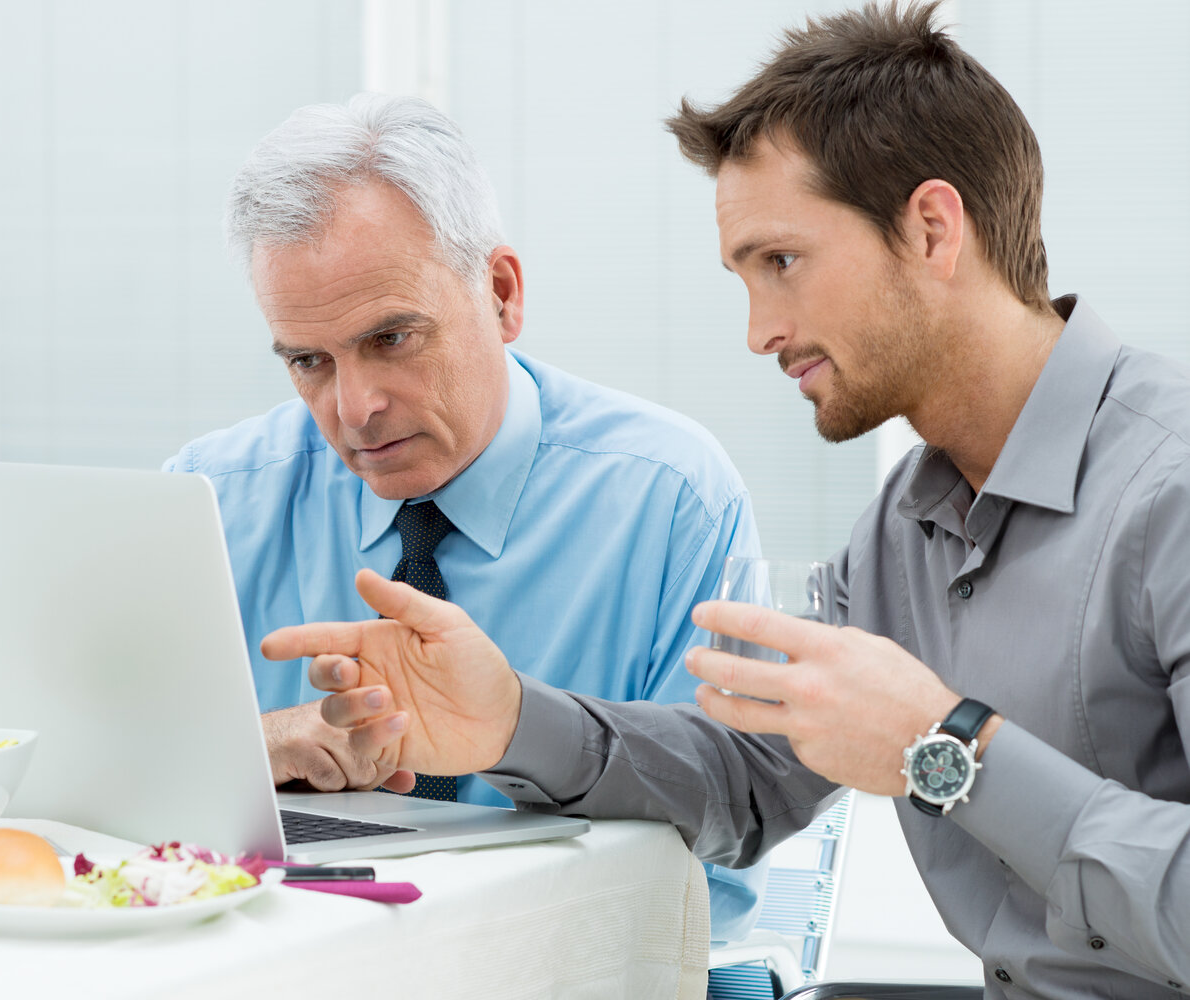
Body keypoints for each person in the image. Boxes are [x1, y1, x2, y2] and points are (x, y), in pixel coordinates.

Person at [263, 5, 1190, 998]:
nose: (759, 332)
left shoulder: (1167, 489)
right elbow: (748, 782)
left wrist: (945, 745)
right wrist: (511, 723)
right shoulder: (903, 531)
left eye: (781, 263)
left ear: (931, 229)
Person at [157, 94, 768, 942]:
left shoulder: (670, 501)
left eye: (392, 339)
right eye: (308, 361)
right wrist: (240, 754)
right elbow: (25, 769)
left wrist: (520, 731)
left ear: (502, 293)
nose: (354, 408)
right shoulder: (209, 501)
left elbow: (730, 830)